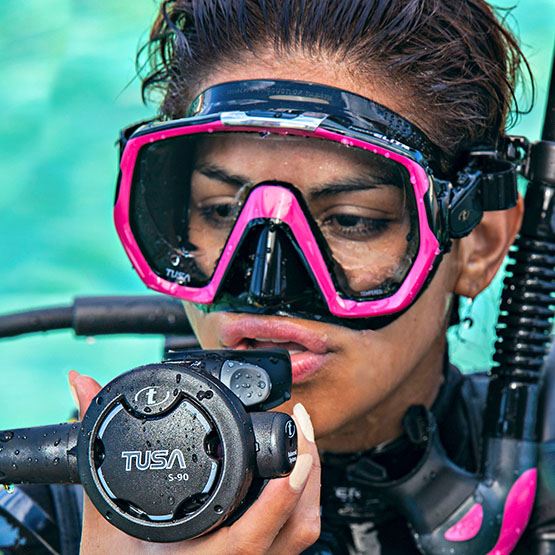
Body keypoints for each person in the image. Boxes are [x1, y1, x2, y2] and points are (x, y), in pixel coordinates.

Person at [61, 0, 550, 553]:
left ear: (478, 246)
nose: (266, 287)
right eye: (221, 211)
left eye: (350, 220)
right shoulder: (67, 510)